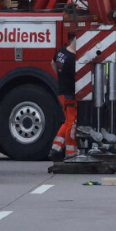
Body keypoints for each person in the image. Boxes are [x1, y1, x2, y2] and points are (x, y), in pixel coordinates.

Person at [49, 33, 77, 161]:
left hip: (62, 92)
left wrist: (61, 79)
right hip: (70, 95)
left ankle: (55, 148)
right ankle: (71, 153)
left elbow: (52, 63)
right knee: (72, 124)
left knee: (67, 122)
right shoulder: (73, 59)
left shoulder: (61, 51)